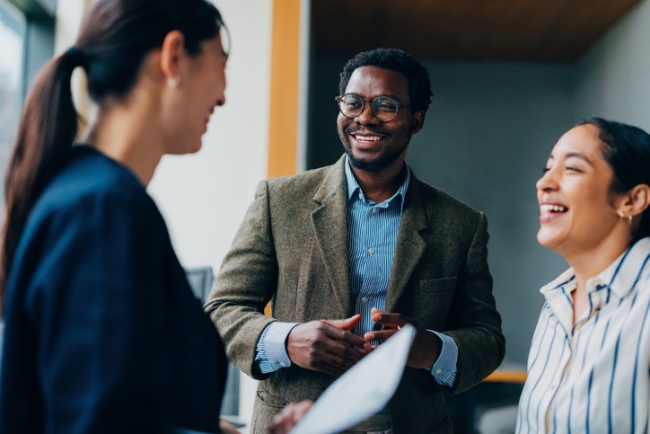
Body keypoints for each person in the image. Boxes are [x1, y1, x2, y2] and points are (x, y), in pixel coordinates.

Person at [205, 48, 505, 434]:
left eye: (386, 105)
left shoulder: (461, 225)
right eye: (353, 102)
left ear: (416, 120)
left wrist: (432, 348)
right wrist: (287, 339)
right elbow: (222, 309)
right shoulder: (278, 202)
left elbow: (487, 338)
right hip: (295, 424)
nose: (365, 117)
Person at [0, 0, 243, 432]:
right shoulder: (103, 210)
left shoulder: (87, 194)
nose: (223, 95)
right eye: (220, 64)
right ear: (172, 57)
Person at [516, 118, 650, 433]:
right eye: (547, 168)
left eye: (572, 169)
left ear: (632, 200)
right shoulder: (556, 303)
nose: (544, 184)